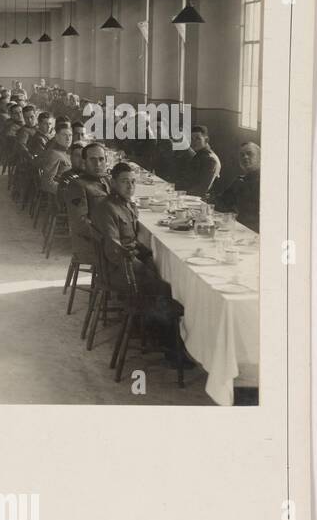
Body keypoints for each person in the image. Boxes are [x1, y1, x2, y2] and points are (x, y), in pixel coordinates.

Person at [90, 162, 190, 365]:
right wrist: (141, 264)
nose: (130, 186)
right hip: (117, 270)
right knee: (166, 289)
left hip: (125, 262)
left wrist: (146, 255)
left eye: (133, 182)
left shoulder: (126, 204)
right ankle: (171, 350)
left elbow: (131, 240)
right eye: (125, 181)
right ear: (112, 182)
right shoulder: (107, 208)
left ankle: (147, 328)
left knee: (159, 270)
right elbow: (114, 251)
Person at [214, 141, 261, 232]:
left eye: (249, 154)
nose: (245, 157)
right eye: (242, 155)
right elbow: (220, 203)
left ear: (260, 157)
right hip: (240, 230)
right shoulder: (240, 181)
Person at [176, 125, 222, 198]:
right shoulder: (199, 155)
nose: (194, 142)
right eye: (192, 139)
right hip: (190, 197)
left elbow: (201, 189)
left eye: (198, 139)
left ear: (206, 140)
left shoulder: (210, 160)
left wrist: (179, 194)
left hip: (202, 201)